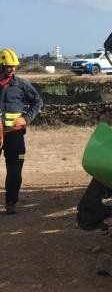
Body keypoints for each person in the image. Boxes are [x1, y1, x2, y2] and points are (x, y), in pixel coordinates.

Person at [0, 48, 43, 215]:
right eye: (9, 66)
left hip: (15, 135)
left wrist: (26, 118)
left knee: (15, 170)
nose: (12, 69)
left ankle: (11, 202)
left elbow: (37, 101)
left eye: (14, 66)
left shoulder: (21, 84)